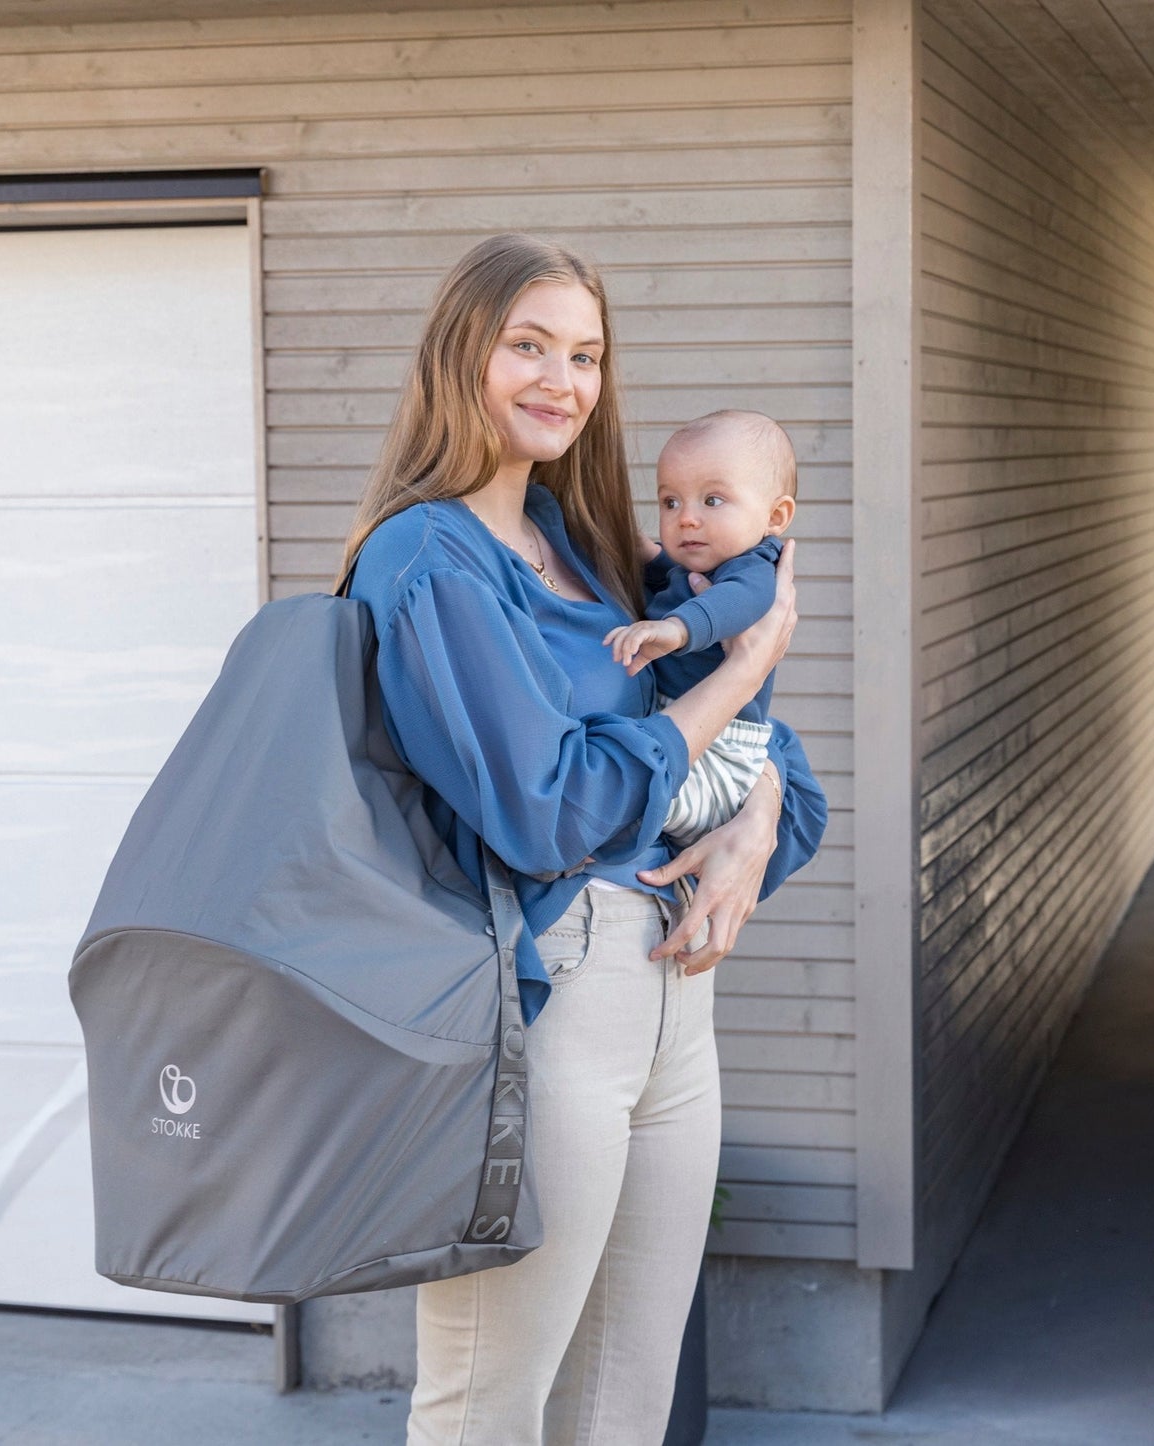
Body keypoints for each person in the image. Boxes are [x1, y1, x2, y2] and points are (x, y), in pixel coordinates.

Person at [334, 233, 827, 1446]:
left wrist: (752, 825)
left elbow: (779, 776)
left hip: (676, 1017)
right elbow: (550, 810)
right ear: (464, 354)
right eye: (529, 345)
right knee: (489, 1408)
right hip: (547, 1008)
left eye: (586, 354)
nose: (562, 379)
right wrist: (749, 666)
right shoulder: (429, 558)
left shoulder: (597, 549)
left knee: (624, 1405)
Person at [605, 409, 797, 846]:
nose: (686, 518)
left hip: (723, 751)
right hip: (687, 729)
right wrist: (634, 548)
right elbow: (665, 573)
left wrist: (676, 629)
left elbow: (736, 603)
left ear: (775, 516)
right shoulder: (700, 564)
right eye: (671, 502)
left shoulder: (753, 568)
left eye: (712, 500)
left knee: (628, 798)